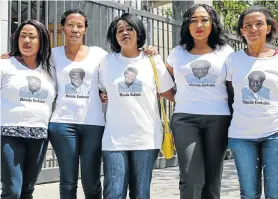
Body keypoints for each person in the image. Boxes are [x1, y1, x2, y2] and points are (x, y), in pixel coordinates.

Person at [98, 13, 175, 199]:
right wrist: (102, 95)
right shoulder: (107, 62)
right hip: (114, 137)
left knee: (141, 193)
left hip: (146, 136)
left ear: (138, 32)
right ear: (114, 36)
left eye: (129, 28)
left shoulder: (152, 60)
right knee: (114, 192)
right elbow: (100, 91)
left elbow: (168, 92)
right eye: (119, 30)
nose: (124, 33)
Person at [166, 4, 234, 199]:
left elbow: (233, 88)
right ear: (187, 25)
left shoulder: (226, 52)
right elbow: (164, 84)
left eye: (204, 19)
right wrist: (180, 99)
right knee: (191, 178)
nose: (199, 24)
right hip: (185, 119)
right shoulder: (177, 52)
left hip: (218, 119)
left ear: (213, 24)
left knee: (212, 182)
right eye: (194, 20)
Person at [225, 6, 278, 199]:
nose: (253, 29)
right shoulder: (233, 59)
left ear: (269, 28)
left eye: (259, 24)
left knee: (275, 193)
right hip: (242, 136)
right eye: (248, 25)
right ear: (242, 31)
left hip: (275, 134)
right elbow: (229, 93)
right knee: (249, 194)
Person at [1, 20, 56, 199]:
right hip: (8, 133)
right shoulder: (5, 65)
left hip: (39, 135)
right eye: (22, 36)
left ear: (42, 41)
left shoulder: (50, 69)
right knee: (12, 191)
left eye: (32, 37)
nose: (26, 40)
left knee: (27, 191)